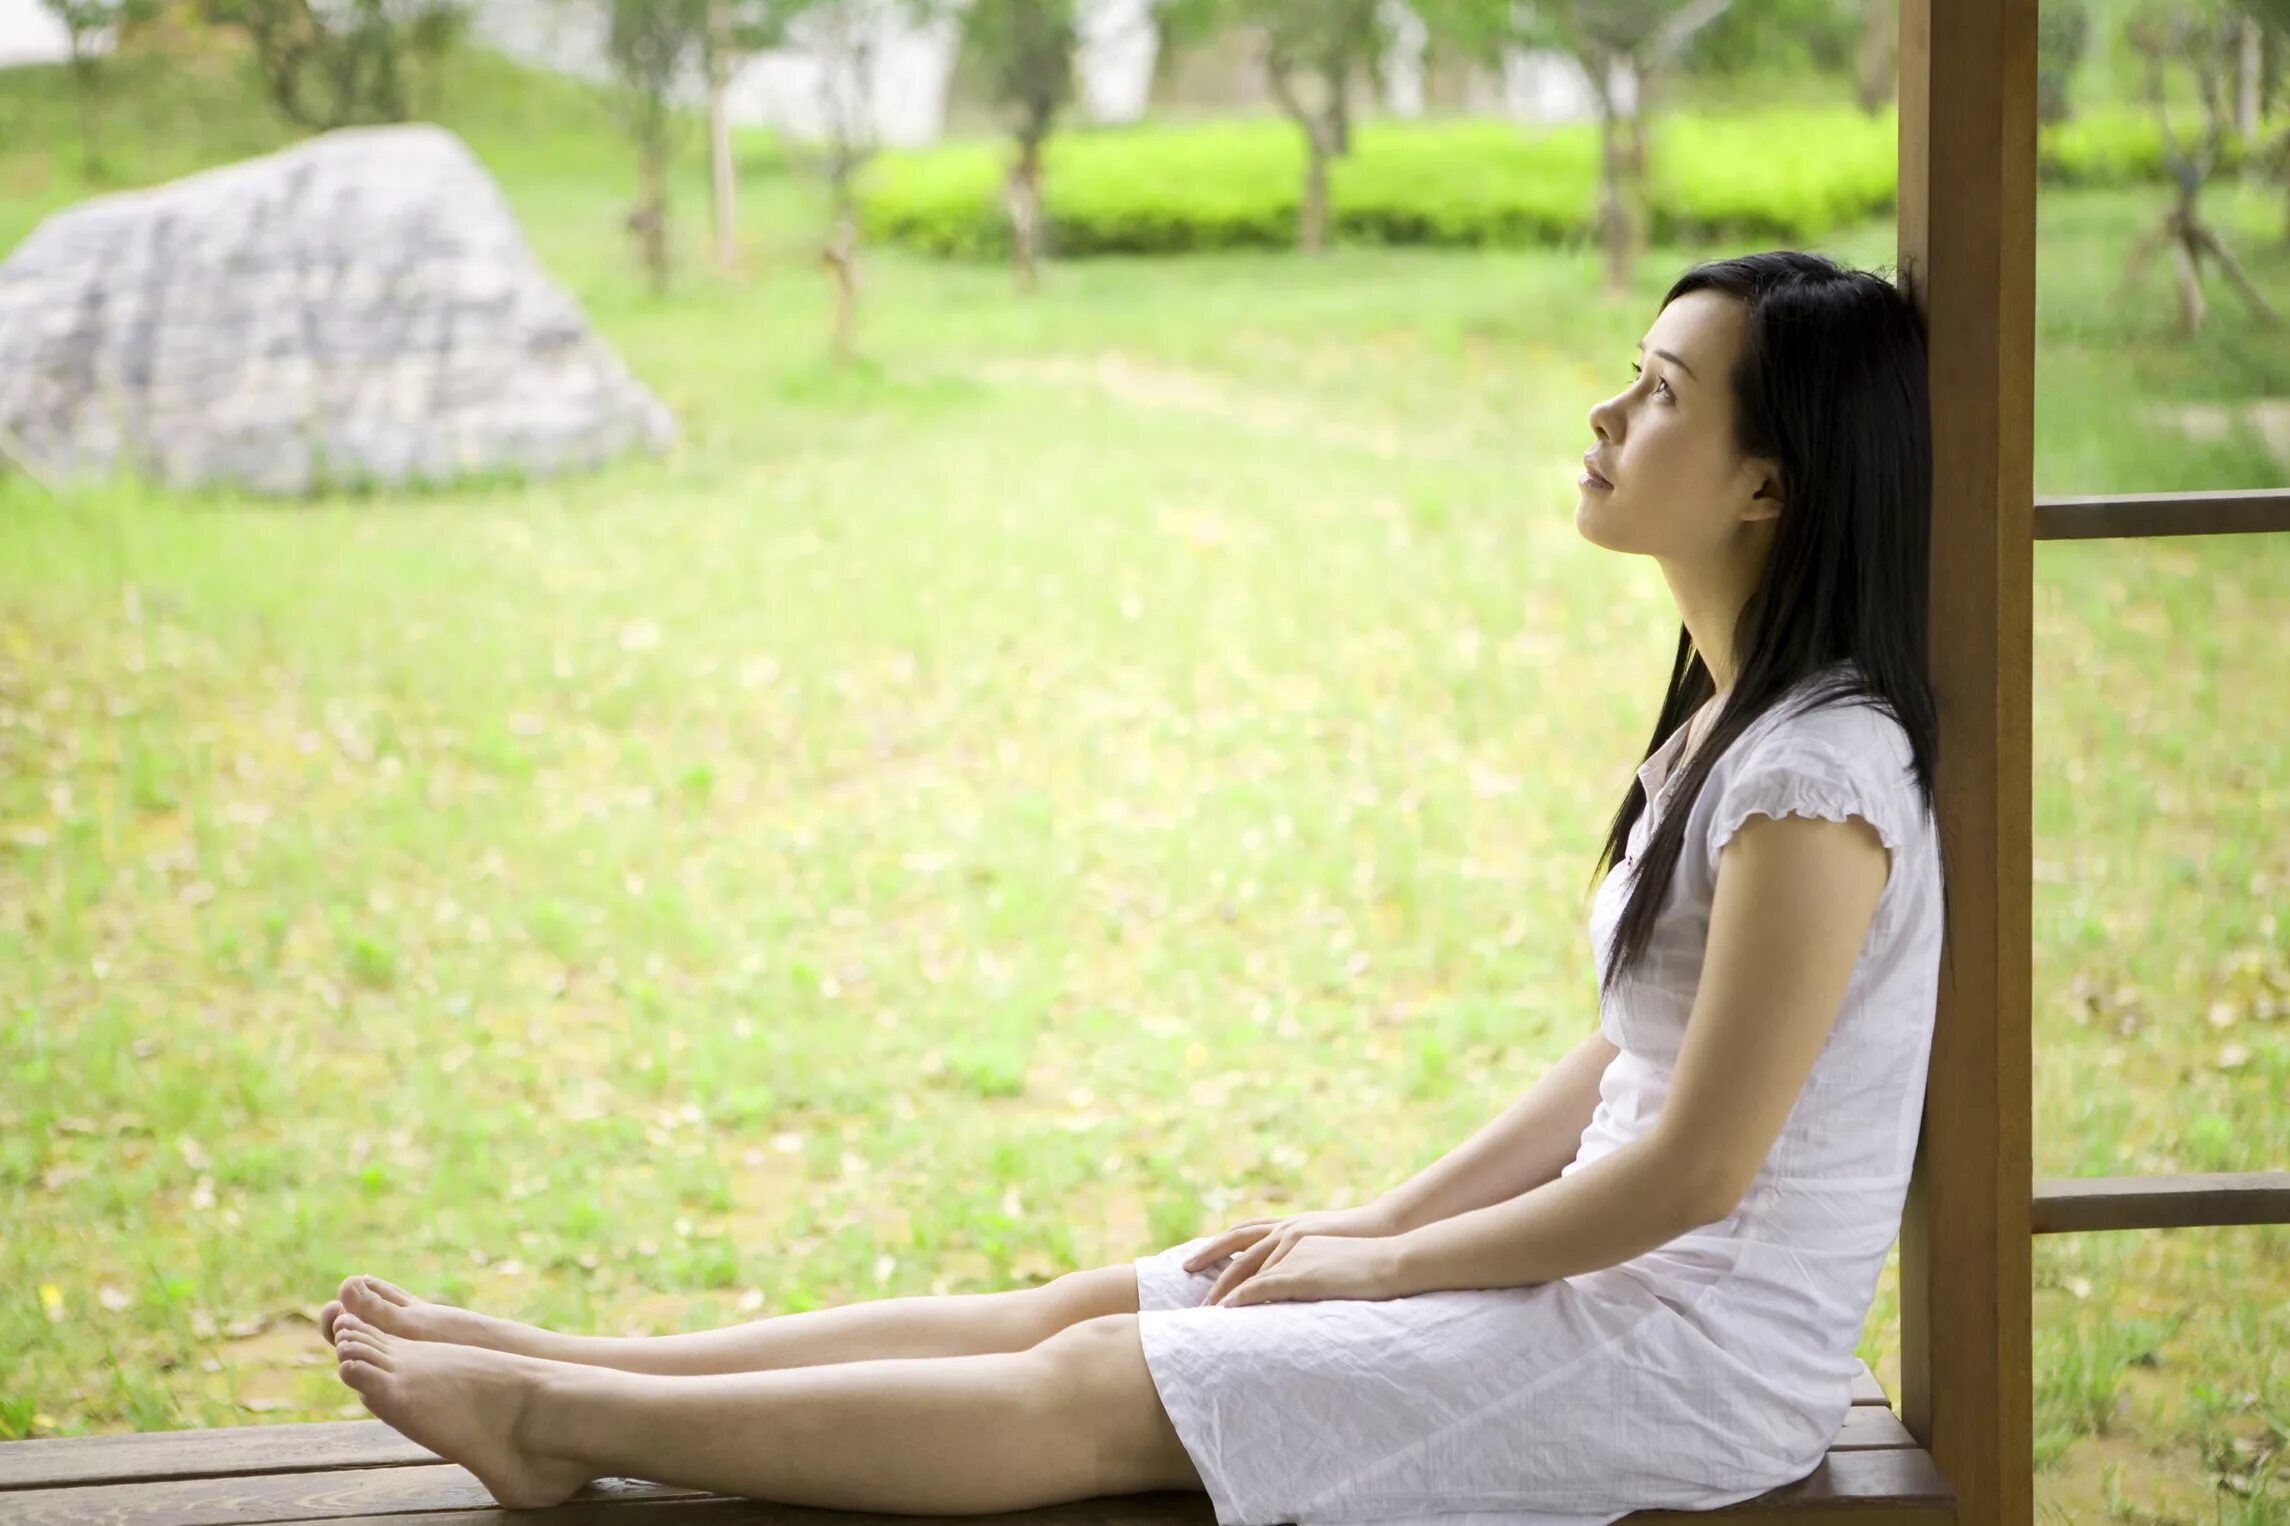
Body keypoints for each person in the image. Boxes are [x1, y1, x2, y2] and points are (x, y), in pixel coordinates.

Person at [320, 249, 1948, 1525]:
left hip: (1685, 1356)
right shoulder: (1736, 733)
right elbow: (1633, 1054)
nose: (1604, 414)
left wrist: (1380, 1269)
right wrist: (1372, 1214)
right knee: (1083, 1302)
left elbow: (1696, 1167)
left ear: (1765, 483)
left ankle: (555, 1427)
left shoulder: (1818, 778)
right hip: (1605, 1288)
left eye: (1659, 393)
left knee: (1101, 1382)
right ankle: (575, 1364)